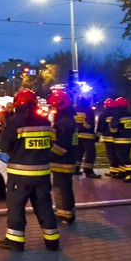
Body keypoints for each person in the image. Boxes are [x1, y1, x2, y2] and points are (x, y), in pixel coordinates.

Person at [0, 88, 60, 252]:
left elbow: (4, 145)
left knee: (16, 207)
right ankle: (52, 241)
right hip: (43, 175)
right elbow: (51, 143)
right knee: (44, 207)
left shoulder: (15, 121)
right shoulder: (45, 122)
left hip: (20, 176)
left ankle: (15, 241)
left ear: (18, 103)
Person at [47, 91, 78, 225]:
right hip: (65, 161)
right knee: (64, 188)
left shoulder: (65, 122)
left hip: (63, 162)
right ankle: (66, 212)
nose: (51, 109)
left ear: (60, 105)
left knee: (61, 188)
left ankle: (65, 215)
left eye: (52, 106)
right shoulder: (66, 120)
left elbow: (61, 146)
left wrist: (48, 156)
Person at [110, 97, 131, 183]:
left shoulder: (117, 115)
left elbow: (113, 127)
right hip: (129, 140)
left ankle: (130, 174)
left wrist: (114, 133)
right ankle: (122, 172)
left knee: (124, 158)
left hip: (120, 140)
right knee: (123, 157)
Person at [75, 95, 101, 178]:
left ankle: (76, 169)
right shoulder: (88, 110)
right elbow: (90, 123)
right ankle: (88, 171)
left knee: (78, 153)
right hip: (88, 136)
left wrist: (77, 129)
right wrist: (83, 128)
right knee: (90, 153)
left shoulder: (75, 110)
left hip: (77, 136)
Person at [97, 98, 121, 179]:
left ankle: (113, 171)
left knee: (111, 155)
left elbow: (99, 128)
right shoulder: (118, 114)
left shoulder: (103, 115)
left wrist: (97, 138)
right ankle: (117, 171)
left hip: (108, 139)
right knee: (118, 154)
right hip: (118, 139)